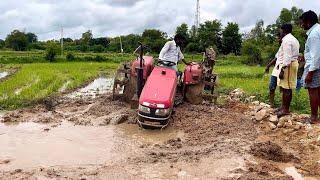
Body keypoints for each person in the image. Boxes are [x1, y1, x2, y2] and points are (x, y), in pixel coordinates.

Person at [300, 10, 320, 124]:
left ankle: (313, 117)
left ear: (308, 22)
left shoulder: (313, 34)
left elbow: (316, 55)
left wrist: (310, 72)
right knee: (318, 91)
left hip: (315, 67)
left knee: (313, 91)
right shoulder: (318, 30)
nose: (301, 25)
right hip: (316, 65)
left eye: (302, 22)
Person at [276, 24, 300, 118]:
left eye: (280, 31)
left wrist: (283, 69)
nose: (280, 32)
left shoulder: (287, 40)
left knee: (287, 89)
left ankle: (285, 110)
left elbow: (287, 56)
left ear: (284, 31)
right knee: (284, 87)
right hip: (288, 65)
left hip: (288, 66)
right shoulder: (293, 39)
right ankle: (283, 107)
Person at [265, 35, 282, 107]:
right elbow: (275, 58)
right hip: (276, 70)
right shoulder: (280, 48)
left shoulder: (287, 45)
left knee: (282, 88)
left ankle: (283, 106)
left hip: (282, 70)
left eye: (279, 38)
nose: (277, 40)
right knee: (271, 87)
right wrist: (268, 66)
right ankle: (271, 103)